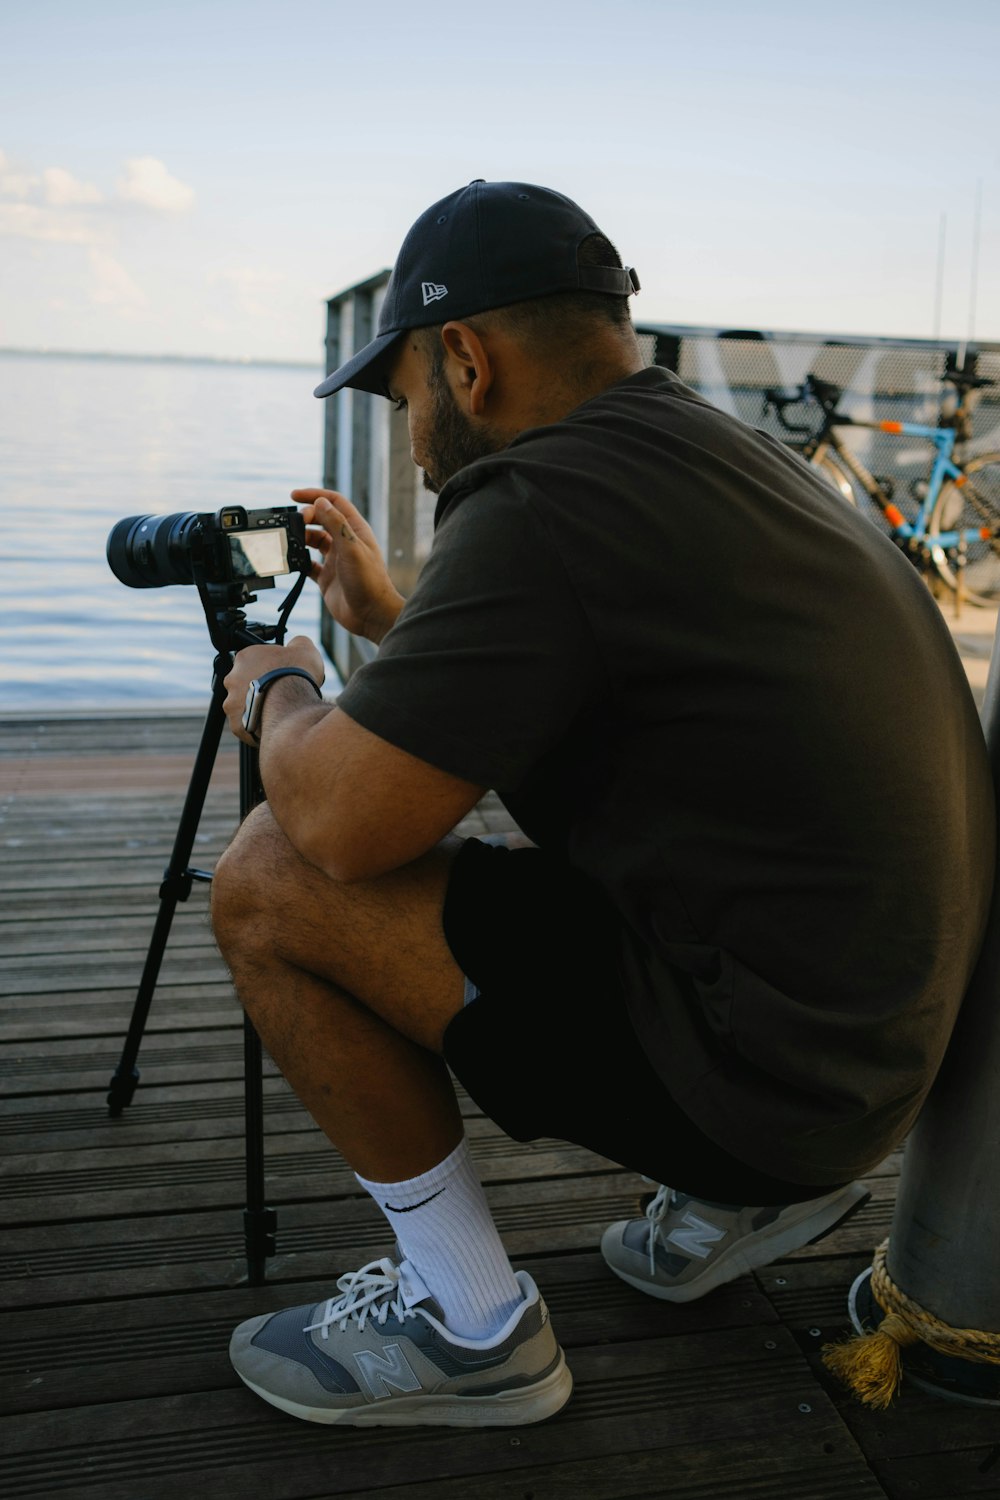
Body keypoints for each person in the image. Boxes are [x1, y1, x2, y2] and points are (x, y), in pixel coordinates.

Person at [213, 179, 995, 1429]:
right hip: (869, 1049)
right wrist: (393, 624)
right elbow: (605, 700)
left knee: (267, 880)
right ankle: (745, 1200)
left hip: (773, 1088)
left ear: (464, 361)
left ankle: (471, 1326)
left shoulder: (540, 500)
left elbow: (339, 825)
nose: (413, 433)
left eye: (408, 392)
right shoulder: (723, 457)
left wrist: (287, 686)